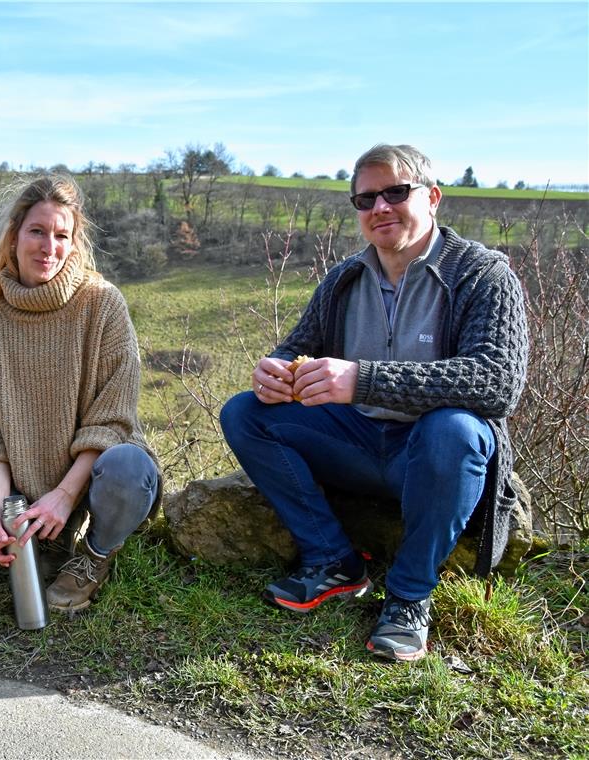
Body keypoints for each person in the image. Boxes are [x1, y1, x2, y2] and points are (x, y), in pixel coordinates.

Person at [220, 144, 528, 661]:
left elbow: (497, 381)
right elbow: (299, 345)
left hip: (430, 455)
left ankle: (409, 597)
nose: (379, 208)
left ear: (432, 197)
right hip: (357, 444)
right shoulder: (345, 278)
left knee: (454, 430)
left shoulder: (482, 274)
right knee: (244, 413)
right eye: (365, 199)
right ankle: (334, 561)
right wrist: (273, 371)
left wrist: (364, 381)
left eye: (395, 192)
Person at [0, 176, 161, 612]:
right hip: (24, 476)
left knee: (129, 468)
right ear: (15, 236)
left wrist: (63, 495)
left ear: (74, 241)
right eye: (37, 231)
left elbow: (113, 420)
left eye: (61, 235)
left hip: (99, 469)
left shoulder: (101, 304)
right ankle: (49, 537)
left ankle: (95, 553)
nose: (49, 246)